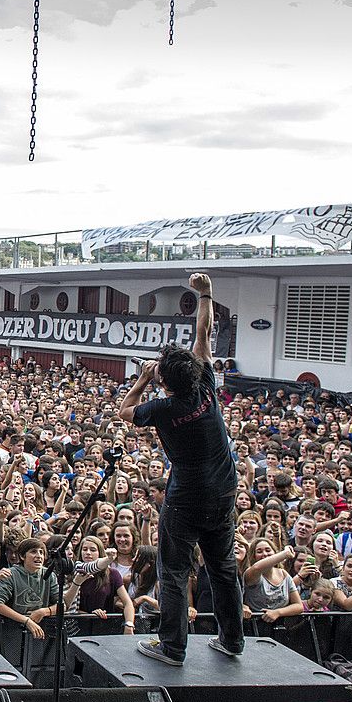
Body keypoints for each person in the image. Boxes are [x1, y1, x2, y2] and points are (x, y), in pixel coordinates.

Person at [122, 272, 245, 666]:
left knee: (173, 571)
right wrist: (205, 294)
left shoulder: (163, 407)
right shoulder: (205, 385)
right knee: (223, 568)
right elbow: (204, 336)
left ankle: (173, 647)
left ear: (163, 379)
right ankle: (232, 641)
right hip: (224, 490)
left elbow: (125, 412)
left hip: (187, 497)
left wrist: (141, 379)